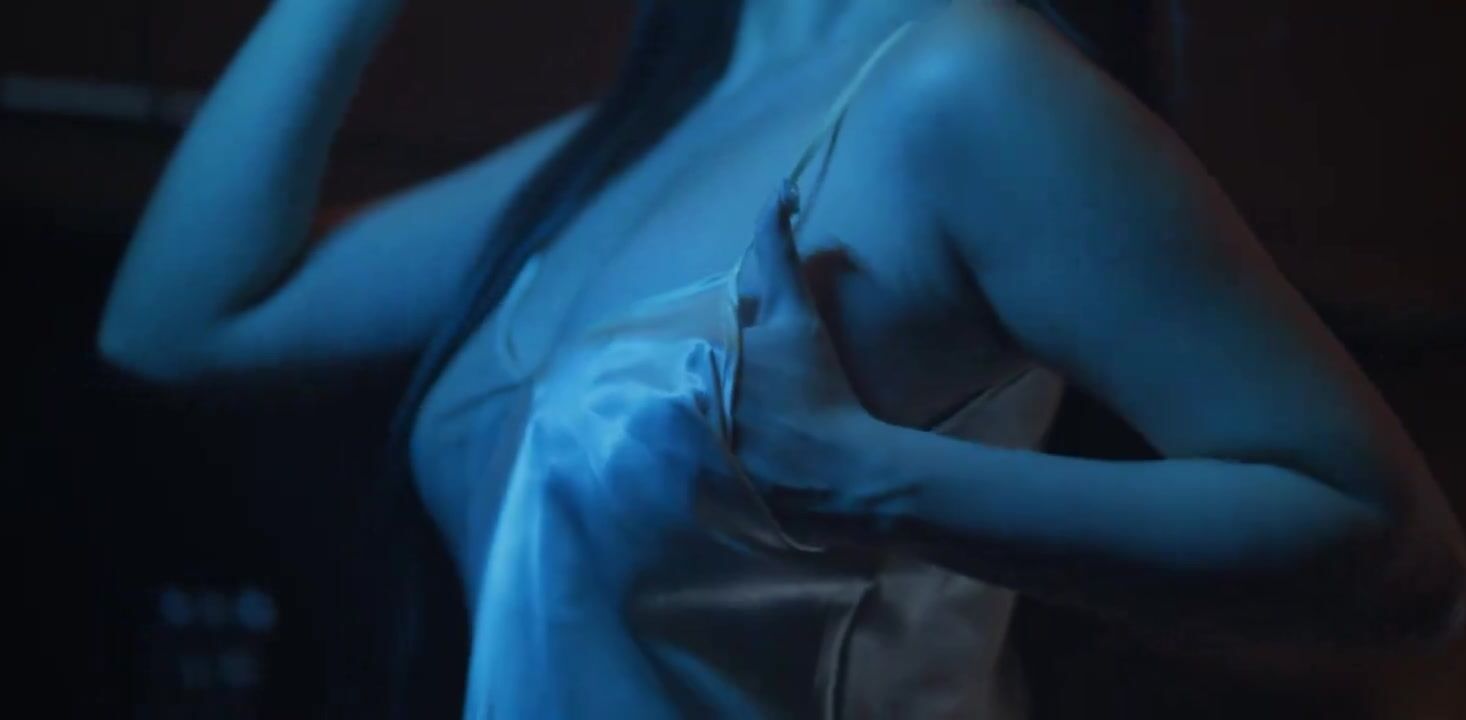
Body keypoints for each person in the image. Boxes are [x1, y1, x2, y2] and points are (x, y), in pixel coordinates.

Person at [97, 0, 1466, 717]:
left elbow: (1393, 555)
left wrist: (871, 480)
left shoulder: (967, 85)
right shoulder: (634, 140)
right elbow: (178, 324)